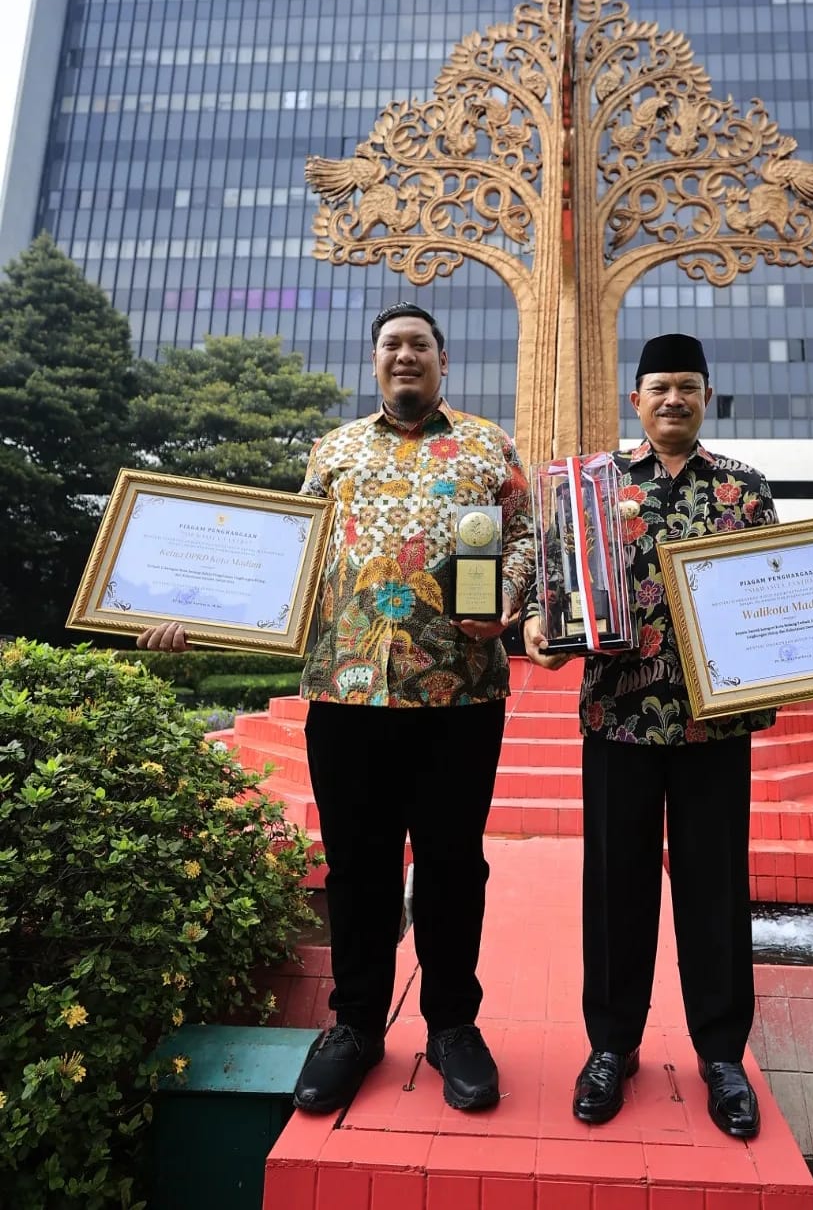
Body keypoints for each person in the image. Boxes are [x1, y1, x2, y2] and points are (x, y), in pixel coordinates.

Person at [138, 302, 534, 1116]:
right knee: (357, 865)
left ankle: (453, 1026)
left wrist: (512, 593)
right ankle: (354, 1025)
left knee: (453, 865)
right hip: (345, 688)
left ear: (443, 360)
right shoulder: (333, 450)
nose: (404, 355)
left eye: (419, 344)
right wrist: (195, 612)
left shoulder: (489, 446)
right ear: (375, 360)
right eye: (391, 345)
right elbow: (288, 559)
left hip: (458, 691)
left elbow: (527, 537)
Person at [523, 332, 813, 1138]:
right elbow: (554, 588)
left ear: (706, 397)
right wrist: (540, 625)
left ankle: (722, 1055)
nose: (673, 399)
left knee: (716, 892)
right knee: (616, 891)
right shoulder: (593, 488)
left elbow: (788, 597)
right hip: (619, 720)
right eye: (659, 386)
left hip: (716, 725)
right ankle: (612, 1046)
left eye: (688, 387)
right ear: (636, 399)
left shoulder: (744, 488)